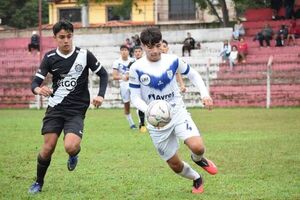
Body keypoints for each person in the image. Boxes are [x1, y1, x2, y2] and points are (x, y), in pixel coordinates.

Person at [129, 27, 217, 194]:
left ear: (162, 43)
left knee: (198, 147)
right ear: (142, 45)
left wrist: (205, 95)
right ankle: (196, 178)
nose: (154, 51)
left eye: (157, 45)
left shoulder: (173, 60)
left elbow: (194, 75)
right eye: (149, 47)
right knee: (175, 165)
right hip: (156, 122)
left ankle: (198, 159)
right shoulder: (136, 68)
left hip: (177, 111)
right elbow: (135, 97)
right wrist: (151, 110)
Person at [28, 20, 108, 194]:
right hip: (55, 108)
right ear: (55, 38)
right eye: (62, 37)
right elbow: (34, 83)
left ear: (73, 36)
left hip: (76, 111)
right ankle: (38, 183)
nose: (66, 40)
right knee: (48, 148)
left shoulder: (85, 55)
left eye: (69, 36)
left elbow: (103, 74)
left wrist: (101, 95)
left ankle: (73, 155)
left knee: (70, 146)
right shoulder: (50, 58)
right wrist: (38, 89)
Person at [112, 45, 137, 129]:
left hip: (133, 83)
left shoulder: (133, 60)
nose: (124, 51)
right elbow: (114, 76)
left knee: (138, 101)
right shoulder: (117, 62)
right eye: (122, 50)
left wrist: (130, 75)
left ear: (128, 51)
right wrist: (123, 77)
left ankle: (142, 122)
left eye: (125, 50)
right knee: (127, 104)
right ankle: (131, 124)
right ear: (120, 52)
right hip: (123, 85)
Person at [128, 46, 147, 133]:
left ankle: (154, 124)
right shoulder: (131, 64)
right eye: (136, 51)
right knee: (140, 105)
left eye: (139, 51)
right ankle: (142, 124)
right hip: (137, 87)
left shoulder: (146, 62)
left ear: (142, 52)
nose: (138, 53)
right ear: (133, 53)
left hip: (147, 86)